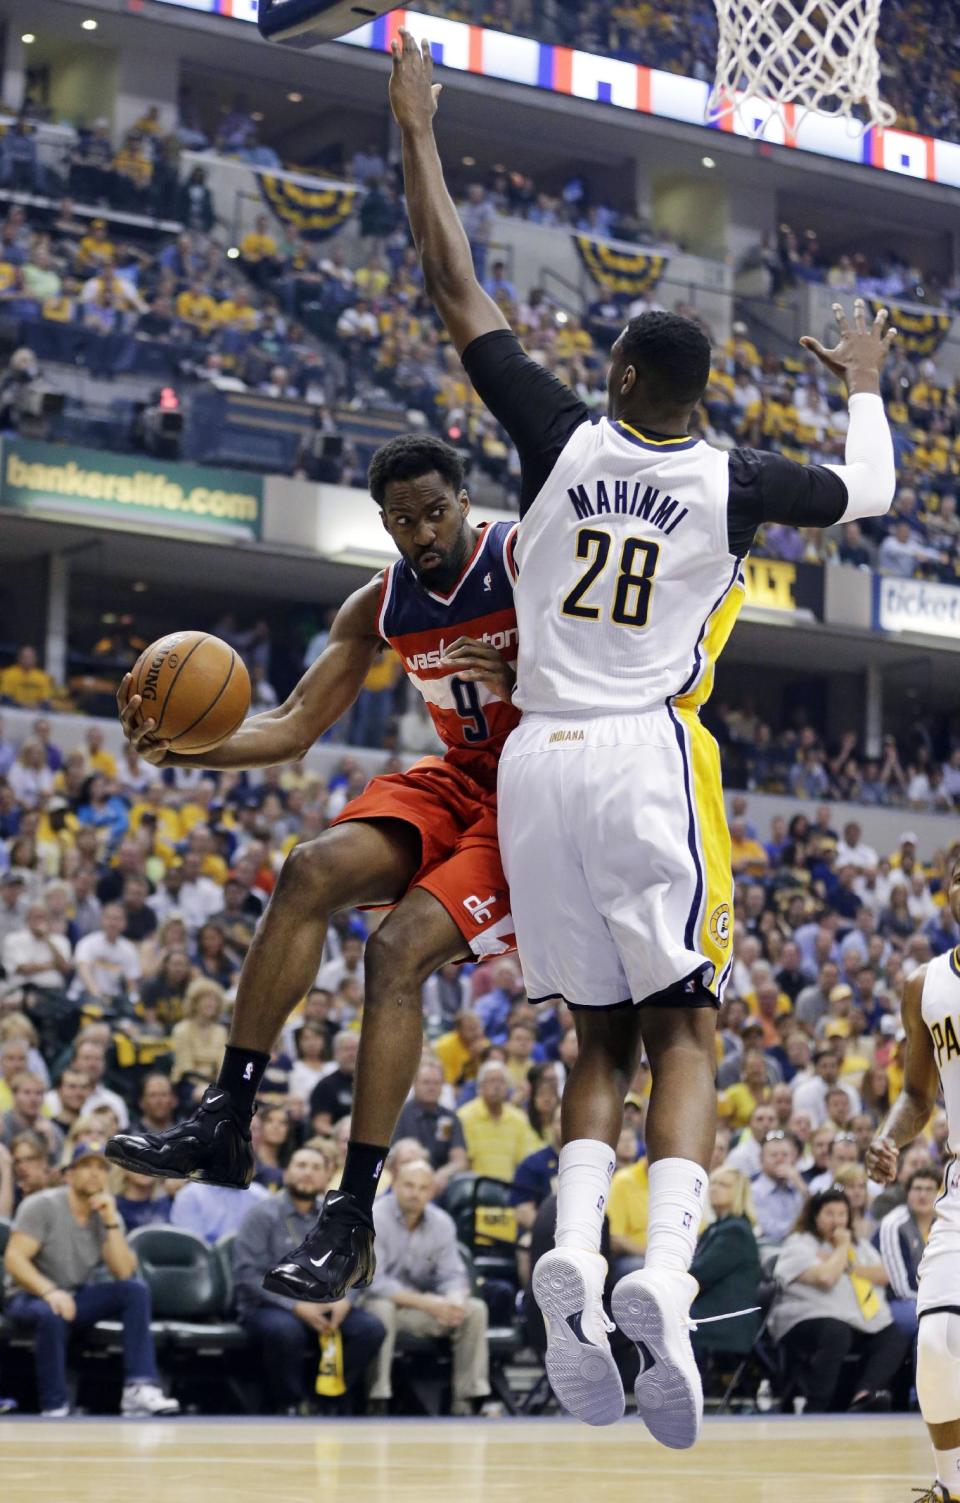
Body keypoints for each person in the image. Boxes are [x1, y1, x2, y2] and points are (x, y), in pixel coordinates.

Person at [388, 29, 897, 1442]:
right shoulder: (736, 479)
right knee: (692, 1027)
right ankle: (659, 1275)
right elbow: (869, 494)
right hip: (644, 755)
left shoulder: (556, 435)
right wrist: (860, 372)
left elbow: (454, 282)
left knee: (591, 1029)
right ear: (698, 397)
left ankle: (569, 1238)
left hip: (534, 760)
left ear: (611, 372)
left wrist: (420, 128)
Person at [106, 429, 519, 1309]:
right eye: (403, 519)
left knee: (395, 949)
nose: (422, 532)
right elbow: (292, 725)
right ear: (386, 523)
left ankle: (352, 1215)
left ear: (465, 504)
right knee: (305, 868)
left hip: (536, 792)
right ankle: (226, 1114)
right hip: (454, 780)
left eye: (435, 511)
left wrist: (534, 669)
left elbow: (623, 663)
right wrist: (186, 749)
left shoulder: (525, 560)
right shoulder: (379, 604)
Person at [866, 856, 960, 1501]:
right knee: (935, 1340)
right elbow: (918, 1098)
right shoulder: (924, 985)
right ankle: (948, 1484)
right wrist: (887, 1135)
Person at [2, 1137, 178, 1417]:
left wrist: (110, 1221)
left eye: (101, 1167)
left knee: (134, 1290)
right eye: (86, 1166)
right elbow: (14, 1259)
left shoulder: (107, 1212)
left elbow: (123, 1271)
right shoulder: (42, 1205)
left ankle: (138, 1388)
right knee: (51, 1313)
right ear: (69, 1174)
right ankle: (55, 1405)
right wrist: (50, 1292)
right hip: (28, 1295)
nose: (95, 1173)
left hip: (74, 1295)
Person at [233, 1144, 386, 1414]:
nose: (307, 1173)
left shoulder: (335, 1218)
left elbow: (353, 1265)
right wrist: (296, 1306)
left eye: (316, 1168)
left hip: (326, 1302)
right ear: (285, 1173)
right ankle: (290, 1403)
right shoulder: (261, 1214)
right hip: (270, 1306)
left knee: (370, 1329)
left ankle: (327, 1400)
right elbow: (248, 1275)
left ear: (327, 1177)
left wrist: (346, 1300)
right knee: (285, 1331)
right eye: (301, 1166)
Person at [358, 1158, 490, 1415]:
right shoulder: (374, 1217)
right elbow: (373, 1282)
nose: (414, 1193)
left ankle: (465, 1401)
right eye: (408, 1185)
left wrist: (454, 1299)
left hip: (421, 1309)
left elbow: (452, 1274)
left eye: (422, 1188)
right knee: (381, 1308)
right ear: (394, 1184)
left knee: (475, 1310)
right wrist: (430, 1303)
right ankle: (378, 1399)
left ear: (432, 1191)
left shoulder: (442, 1223)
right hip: (378, 1306)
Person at [770, 1186, 910, 1413]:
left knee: (895, 1334)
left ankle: (864, 1395)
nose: (837, 1220)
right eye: (829, 1214)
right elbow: (826, 1277)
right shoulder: (800, 1243)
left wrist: (848, 1263)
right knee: (836, 1332)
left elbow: (885, 1274)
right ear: (815, 1216)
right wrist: (842, 1248)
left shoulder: (859, 1245)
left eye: (842, 1214)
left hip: (858, 1320)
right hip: (807, 1318)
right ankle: (817, 1406)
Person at [689, 1168, 762, 1370]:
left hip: (722, 1322)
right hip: (708, 1314)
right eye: (713, 1183)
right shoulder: (717, 1228)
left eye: (724, 1185)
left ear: (738, 1192)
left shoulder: (736, 1231)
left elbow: (700, 1274)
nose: (715, 1189)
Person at [876, 1165, 940, 1343]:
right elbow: (900, 1288)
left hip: (934, 1299)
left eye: (929, 1189)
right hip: (897, 1300)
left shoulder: (945, 1223)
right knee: (930, 1324)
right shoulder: (894, 1224)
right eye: (917, 1189)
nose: (923, 1195)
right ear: (907, 1193)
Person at [393, 1056, 468, 1194]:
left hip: (441, 1186)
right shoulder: (399, 1115)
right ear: (414, 1084)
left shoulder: (449, 1118)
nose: (432, 1087)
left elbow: (460, 1161)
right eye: (426, 1082)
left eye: (436, 1083)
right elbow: (389, 1160)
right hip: (406, 1182)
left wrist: (442, 1174)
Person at [456, 1060, 541, 1180]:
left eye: (501, 1081)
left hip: (510, 1189)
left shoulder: (519, 1118)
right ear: (480, 1087)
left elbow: (525, 1159)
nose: (497, 1086)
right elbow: (464, 1161)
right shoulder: (464, 1116)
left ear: (508, 1088)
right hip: (475, 1189)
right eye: (491, 1081)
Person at [750, 1130, 808, 1244]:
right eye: (773, 1155)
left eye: (785, 1155)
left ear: (793, 1158)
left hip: (801, 1247)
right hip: (769, 1248)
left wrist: (801, 1186)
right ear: (761, 1160)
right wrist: (803, 1228)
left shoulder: (799, 1187)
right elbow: (773, 1232)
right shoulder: (754, 1191)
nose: (780, 1160)